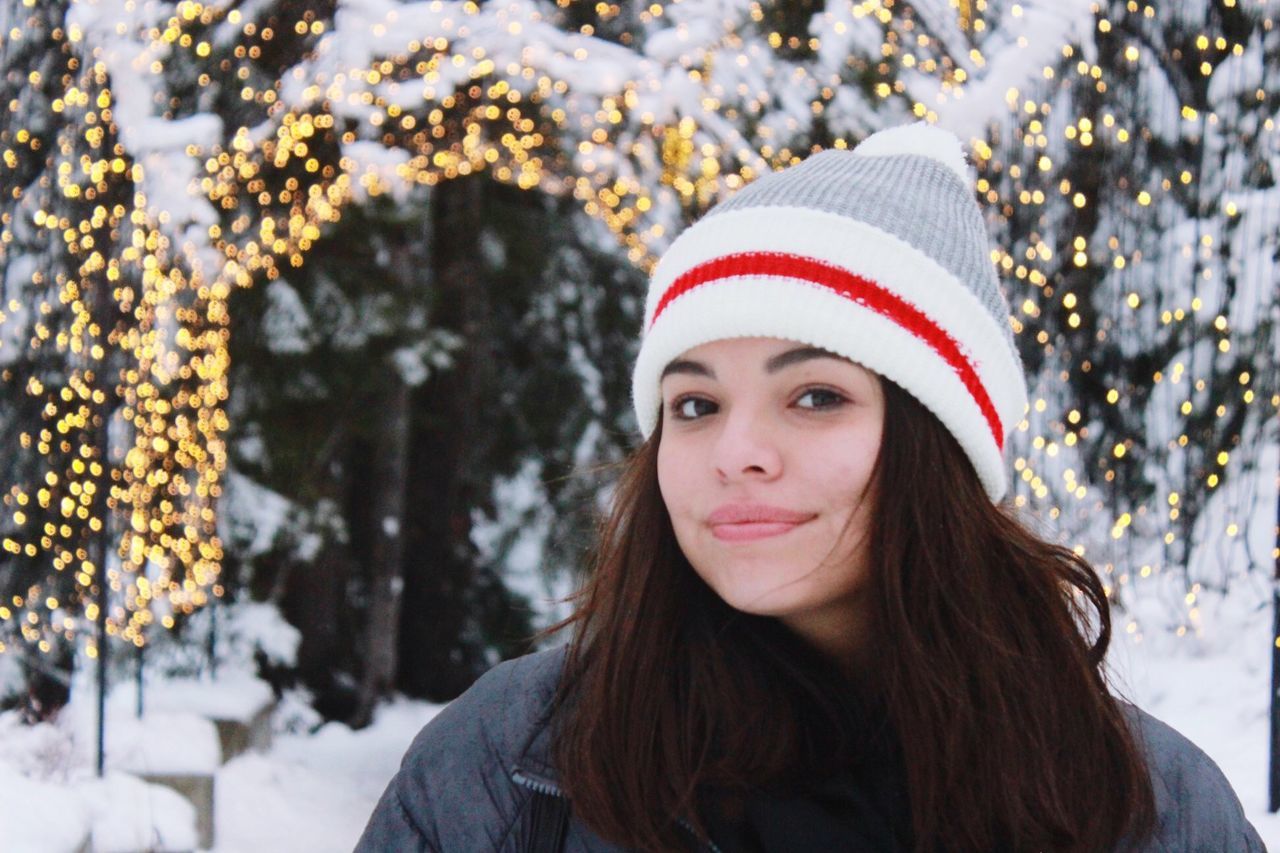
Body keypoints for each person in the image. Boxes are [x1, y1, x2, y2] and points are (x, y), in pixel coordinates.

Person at [355, 123, 1266, 852]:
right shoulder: (516, 765)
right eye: (697, 403)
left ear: (933, 448)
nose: (736, 451)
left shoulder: (1146, 803)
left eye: (816, 395)